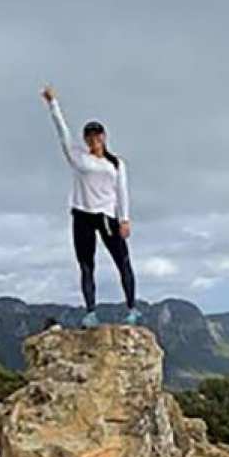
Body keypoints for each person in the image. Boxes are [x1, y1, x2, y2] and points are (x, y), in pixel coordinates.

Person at [40, 84, 137, 327]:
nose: (94, 140)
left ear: (104, 137)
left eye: (98, 135)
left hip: (106, 216)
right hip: (82, 214)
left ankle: (132, 308)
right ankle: (91, 312)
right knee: (86, 265)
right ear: (86, 139)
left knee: (122, 261)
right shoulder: (78, 157)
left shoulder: (116, 164)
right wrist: (53, 104)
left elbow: (121, 191)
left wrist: (124, 218)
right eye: (90, 136)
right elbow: (62, 131)